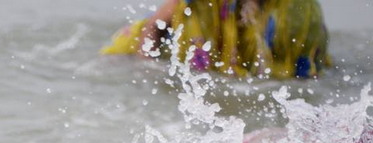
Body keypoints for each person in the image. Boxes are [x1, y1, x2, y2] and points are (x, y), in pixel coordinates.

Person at [101, 0, 331, 79]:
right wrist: (146, 69)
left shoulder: (299, 14)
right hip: (136, 44)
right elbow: (155, 26)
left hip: (274, 43)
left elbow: (306, 74)